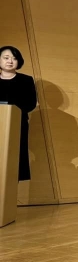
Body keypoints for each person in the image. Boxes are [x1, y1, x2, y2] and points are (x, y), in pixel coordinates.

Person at [0, 46, 37, 182]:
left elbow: (30, 103)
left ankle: (9, 190)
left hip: (17, 124)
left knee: (14, 158)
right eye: (6, 58)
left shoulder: (26, 80)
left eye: (14, 58)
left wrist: (12, 109)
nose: (10, 61)